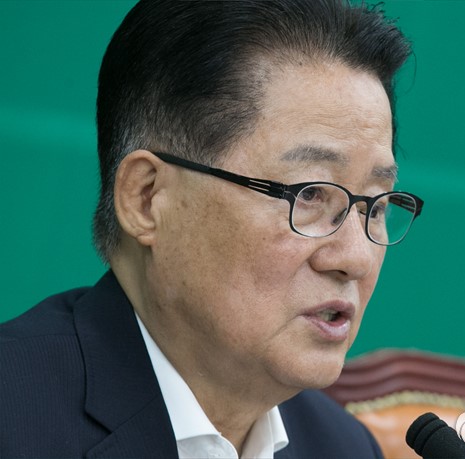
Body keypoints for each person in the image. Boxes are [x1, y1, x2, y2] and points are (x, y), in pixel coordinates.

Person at [0, 0, 423, 457]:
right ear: (147, 199)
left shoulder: (342, 448)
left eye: (375, 206)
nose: (356, 258)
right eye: (310, 194)